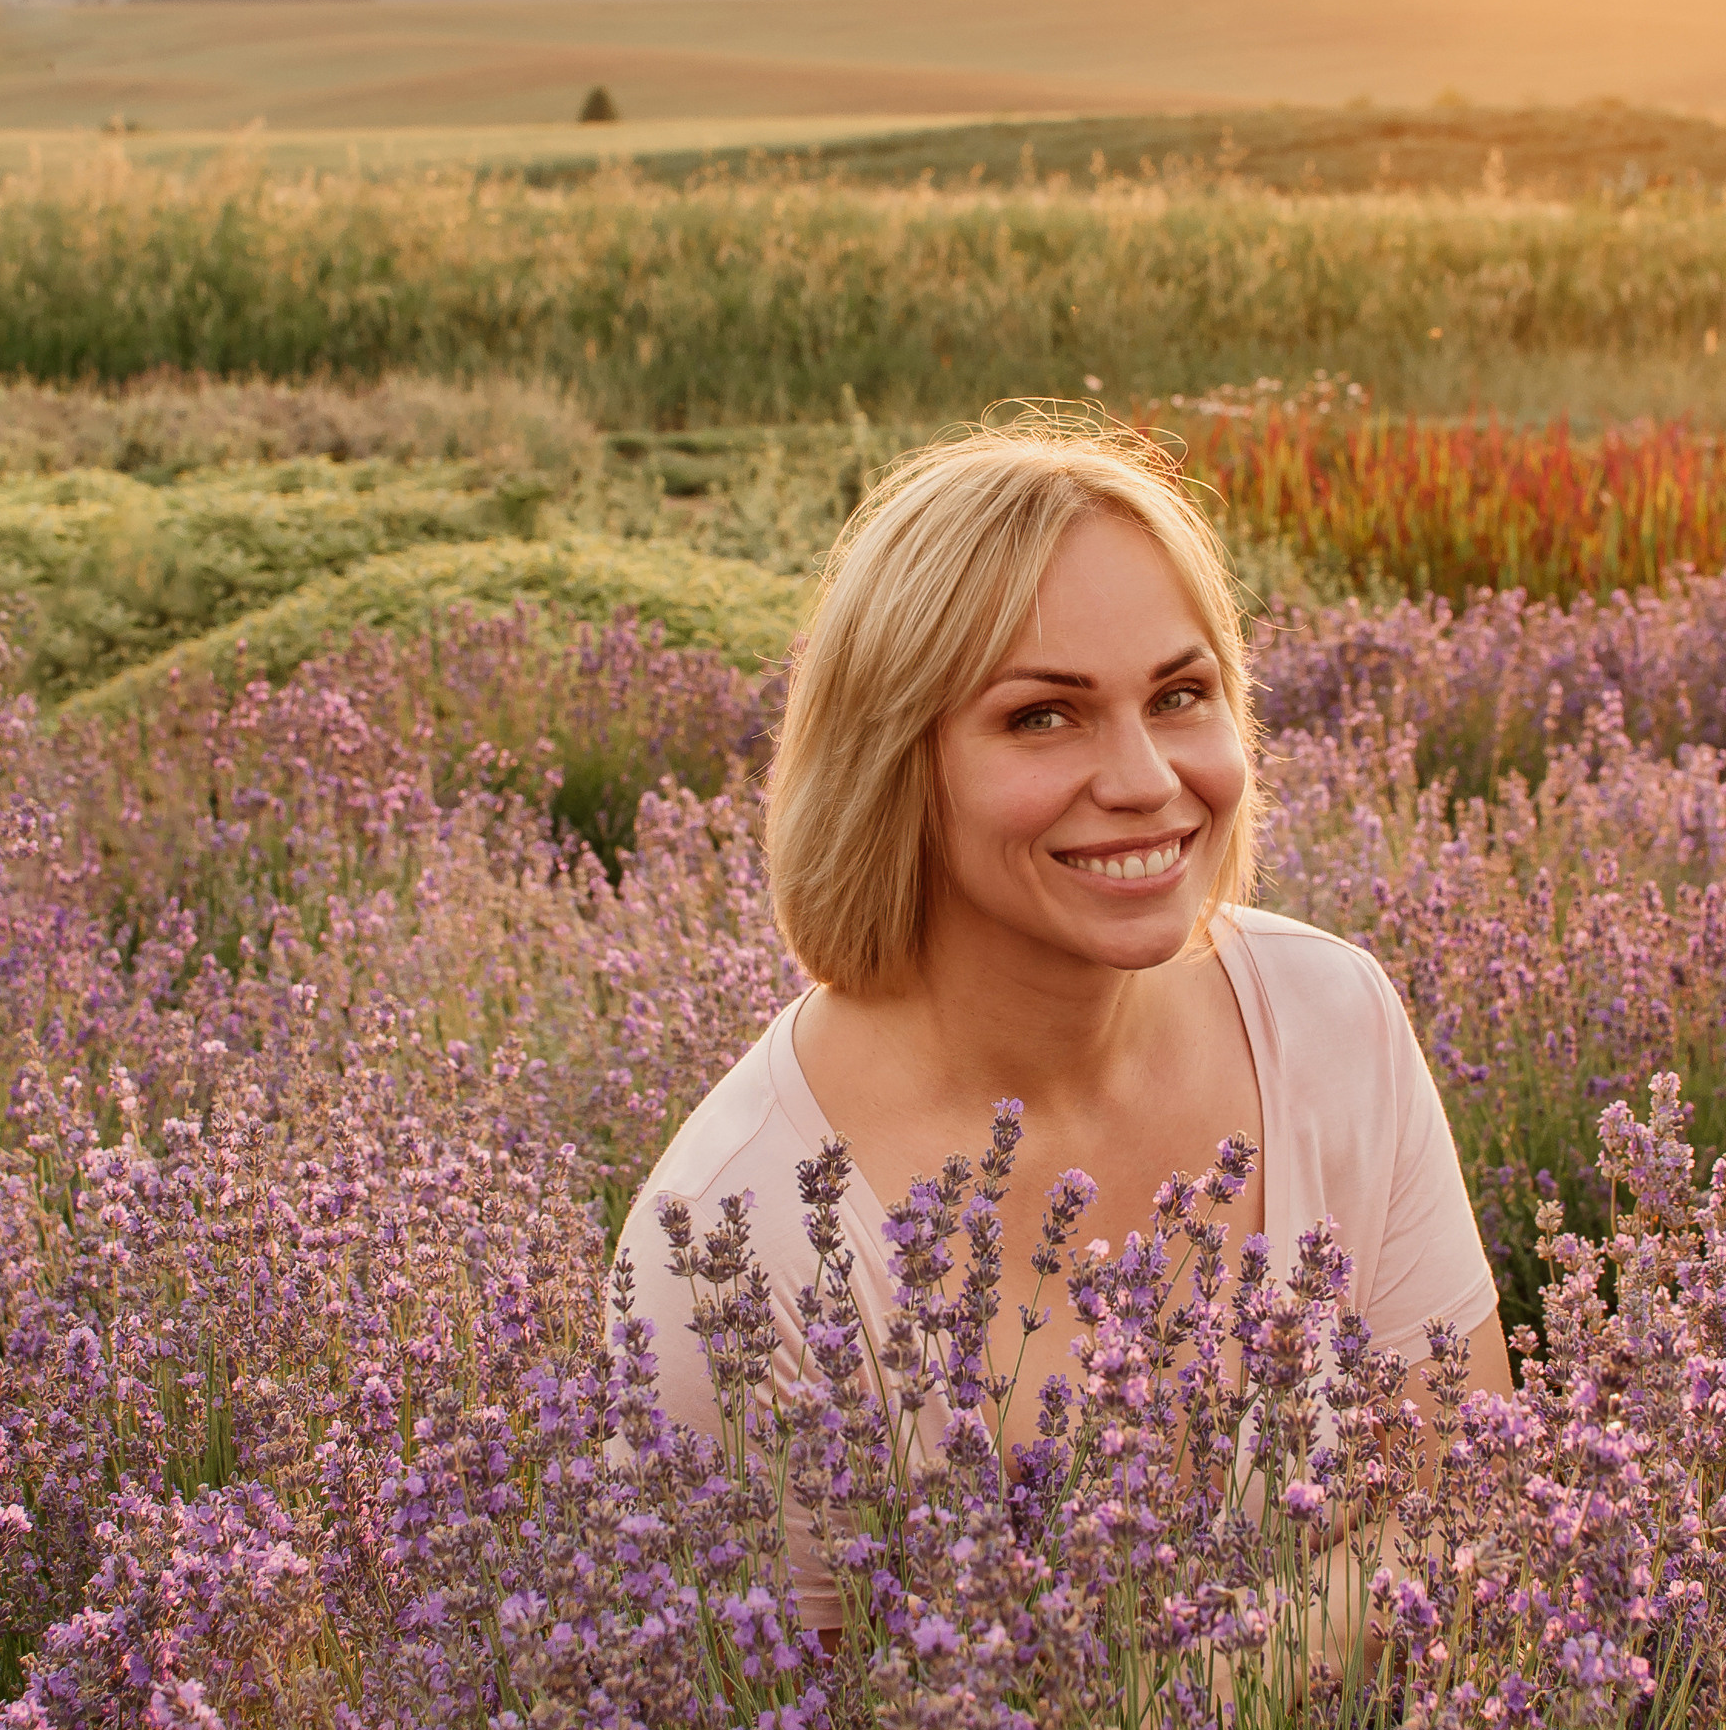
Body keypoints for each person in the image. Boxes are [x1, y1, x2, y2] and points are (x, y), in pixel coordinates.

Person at [611, 419, 1508, 1635]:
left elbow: (1476, 1504)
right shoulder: (731, 1242)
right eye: (1043, 716)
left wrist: (1183, 1714)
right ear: (894, 764)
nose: (1145, 778)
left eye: (1179, 695)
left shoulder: (1328, 1018)